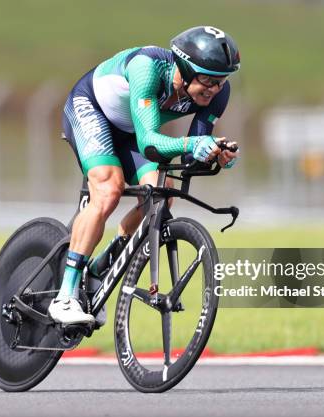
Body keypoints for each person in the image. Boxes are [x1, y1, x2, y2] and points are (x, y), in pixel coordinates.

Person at [49, 26, 241, 325]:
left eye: (221, 81)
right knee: (109, 189)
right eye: (207, 79)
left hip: (132, 131)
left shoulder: (217, 93)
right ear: (186, 70)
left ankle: (99, 271)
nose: (214, 89)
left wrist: (216, 154)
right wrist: (193, 144)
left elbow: (190, 156)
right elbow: (150, 143)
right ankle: (65, 296)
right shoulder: (147, 68)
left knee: (162, 197)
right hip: (92, 110)